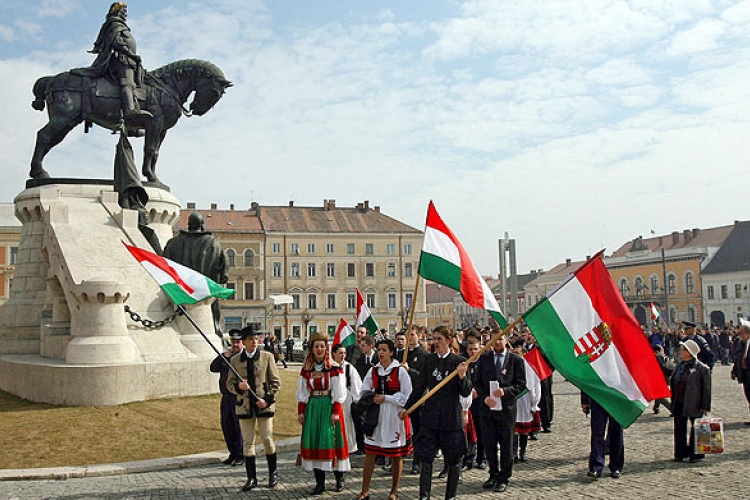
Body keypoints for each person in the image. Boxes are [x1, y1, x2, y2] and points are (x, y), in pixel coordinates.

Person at [400, 326, 471, 500]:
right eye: (433, 339)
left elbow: (466, 391)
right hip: (431, 416)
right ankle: (424, 496)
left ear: (448, 340)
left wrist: (462, 377)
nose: (435, 342)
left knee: (453, 458)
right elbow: (419, 387)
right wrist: (408, 407)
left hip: (450, 417)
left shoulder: (459, 362)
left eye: (439, 339)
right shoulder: (429, 360)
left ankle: (450, 496)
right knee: (426, 457)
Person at [226, 325, 282, 491]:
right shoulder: (235, 361)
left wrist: (267, 399)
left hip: (264, 406)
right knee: (248, 442)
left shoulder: (267, 357)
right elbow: (229, 384)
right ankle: (251, 478)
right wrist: (239, 387)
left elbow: (276, 383)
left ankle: (273, 473)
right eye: (251, 339)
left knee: (266, 438)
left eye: (256, 339)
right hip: (244, 407)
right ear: (243, 342)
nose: (254, 342)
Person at [356, 339, 413, 500]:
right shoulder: (373, 371)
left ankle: (394, 491)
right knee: (370, 452)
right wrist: (371, 397)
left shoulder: (399, 371)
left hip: (394, 416)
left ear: (391, 352)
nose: (381, 353)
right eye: (379, 349)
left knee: (396, 455)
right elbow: (364, 390)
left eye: (384, 350)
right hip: (376, 416)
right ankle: (365, 491)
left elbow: (407, 395)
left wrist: (387, 398)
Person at [78, 3, 152, 124]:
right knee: (127, 83)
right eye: (124, 10)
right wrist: (132, 55)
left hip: (128, 60)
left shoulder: (119, 25)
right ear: (117, 11)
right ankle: (129, 111)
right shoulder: (114, 24)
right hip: (121, 60)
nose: (125, 13)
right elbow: (116, 42)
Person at [472, 328, 526, 493]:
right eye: (493, 340)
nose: (497, 343)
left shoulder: (515, 360)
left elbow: (521, 384)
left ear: (506, 341)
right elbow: (478, 382)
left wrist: (506, 392)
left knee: (506, 445)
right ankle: (493, 474)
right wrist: (483, 397)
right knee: (489, 443)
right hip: (487, 409)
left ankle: (504, 476)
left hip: (506, 410)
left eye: (500, 340)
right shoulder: (484, 359)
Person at [296, 332, 350, 495]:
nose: (319, 349)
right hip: (313, 407)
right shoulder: (306, 369)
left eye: (322, 346)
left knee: (331, 440)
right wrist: (301, 411)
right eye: (316, 346)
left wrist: (335, 412)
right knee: (315, 442)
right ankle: (320, 483)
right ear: (311, 349)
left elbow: (340, 393)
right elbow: (302, 391)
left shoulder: (334, 368)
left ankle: (339, 478)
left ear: (326, 348)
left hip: (329, 406)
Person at [162, 212, 229, 336]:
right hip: (205, 296)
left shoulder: (173, 243)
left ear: (188, 225)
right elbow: (224, 272)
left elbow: (164, 267)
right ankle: (216, 329)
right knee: (213, 324)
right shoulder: (213, 243)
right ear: (202, 225)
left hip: (179, 297)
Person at [670, 339, 711, 463]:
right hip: (679, 400)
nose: (680, 352)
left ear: (690, 352)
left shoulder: (702, 368)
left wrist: (705, 405)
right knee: (679, 428)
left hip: (694, 402)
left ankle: (696, 454)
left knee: (696, 427)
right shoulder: (680, 365)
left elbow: (706, 389)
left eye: (683, 350)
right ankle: (680, 452)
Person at [209, 329, 244, 466]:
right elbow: (213, 368)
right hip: (226, 396)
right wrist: (223, 356)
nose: (235, 345)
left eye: (238, 342)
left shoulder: (243, 359)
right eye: (233, 342)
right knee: (226, 425)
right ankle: (232, 452)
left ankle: (240, 454)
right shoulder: (226, 356)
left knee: (238, 426)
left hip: (238, 397)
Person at [403, 326, 431, 475]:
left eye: (412, 334)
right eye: (408, 335)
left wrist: (410, 371)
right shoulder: (403, 353)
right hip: (403, 396)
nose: (410, 337)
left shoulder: (424, 355)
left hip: (418, 397)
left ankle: (417, 462)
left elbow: (423, 377)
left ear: (419, 336)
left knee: (418, 430)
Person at [581, 392, 624, 478]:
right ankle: (596, 467)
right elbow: (587, 379)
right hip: (598, 397)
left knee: (616, 433)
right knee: (597, 433)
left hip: (617, 397)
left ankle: (616, 466)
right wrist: (584, 400)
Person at [331, 343, 363, 456]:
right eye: (340, 353)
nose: (343, 355)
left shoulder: (349, 367)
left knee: (346, 424)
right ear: (334, 354)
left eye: (344, 353)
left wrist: (357, 401)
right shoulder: (329, 366)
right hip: (331, 398)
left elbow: (356, 385)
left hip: (346, 399)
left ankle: (347, 447)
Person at [513, 346, 541, 463]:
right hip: (514, 401)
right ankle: (513, 452)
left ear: (524, 354)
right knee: (514, 429)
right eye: (514, 352)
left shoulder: (530, 368)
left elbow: (535, 386)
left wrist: (534, 403)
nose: (515, 355)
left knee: (524, 430)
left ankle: (522, 451)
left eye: (517, 353)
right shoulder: (510, 365)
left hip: (525, 401)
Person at [730, 324, 750, 425]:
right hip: (745, 373)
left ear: (748, 333)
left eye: (742, 333)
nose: (740, 335)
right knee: (748, 395)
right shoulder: (741, 343)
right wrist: (734, 371)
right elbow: (738, 357)